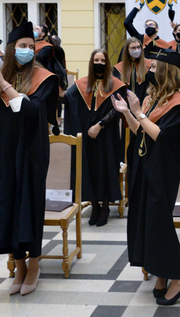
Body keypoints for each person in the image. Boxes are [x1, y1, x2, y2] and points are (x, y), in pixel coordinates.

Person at [0, 22, 59, 296]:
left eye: (31, 47)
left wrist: (4, 85)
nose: (28, 50)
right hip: (3, 152)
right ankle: (19, 265)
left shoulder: (45, 78)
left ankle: (34, 265)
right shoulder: (1, 75)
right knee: (7, 206)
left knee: (29, 207)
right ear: (12, 49)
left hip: (31, 154)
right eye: (22, 46)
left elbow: (34, 113)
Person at [112, 48, 180, 306]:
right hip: (144, 165)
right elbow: (140, 131)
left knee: (160, 224)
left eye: (153, 68)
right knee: (148, 223)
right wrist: (127, 112)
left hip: (163, 169)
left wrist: (138, 112)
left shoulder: (179, 103)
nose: (149, 71)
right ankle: (161, 277)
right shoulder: (154, 98)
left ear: (166, 72)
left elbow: (163, 137)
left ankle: (179, 280)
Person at [64, 49, 126, 227]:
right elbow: (68, 99)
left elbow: (118, 109)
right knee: (89, 168)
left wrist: (100, 124)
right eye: (96, 60)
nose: (99, 63)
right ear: (91, 63)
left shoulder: (115, 84)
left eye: (103, 60)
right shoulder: (82, 84)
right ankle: (94, 205)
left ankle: (105, 206)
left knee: (106, 169)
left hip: (107, 135)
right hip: (87, 136)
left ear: (107, 63)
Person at [114, 38, 152, 104]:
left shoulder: (148, 66)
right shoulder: (119, 68)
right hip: (125, 105)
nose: (136, 50)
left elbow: (150, 87)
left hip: (144, 104)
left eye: (138, 47)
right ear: (127, 50)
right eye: (133, 48)